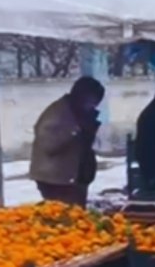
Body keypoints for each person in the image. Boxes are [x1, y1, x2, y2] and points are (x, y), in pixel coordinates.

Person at [29, 76, 105, 205]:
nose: (93, 106)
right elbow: (49, 145)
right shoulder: (57, 113)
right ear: (81, 97)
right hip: (56, 179)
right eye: (91, 102)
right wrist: (75, 131)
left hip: (74, 177)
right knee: (65, 216)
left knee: (77, 216)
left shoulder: (78, 112)